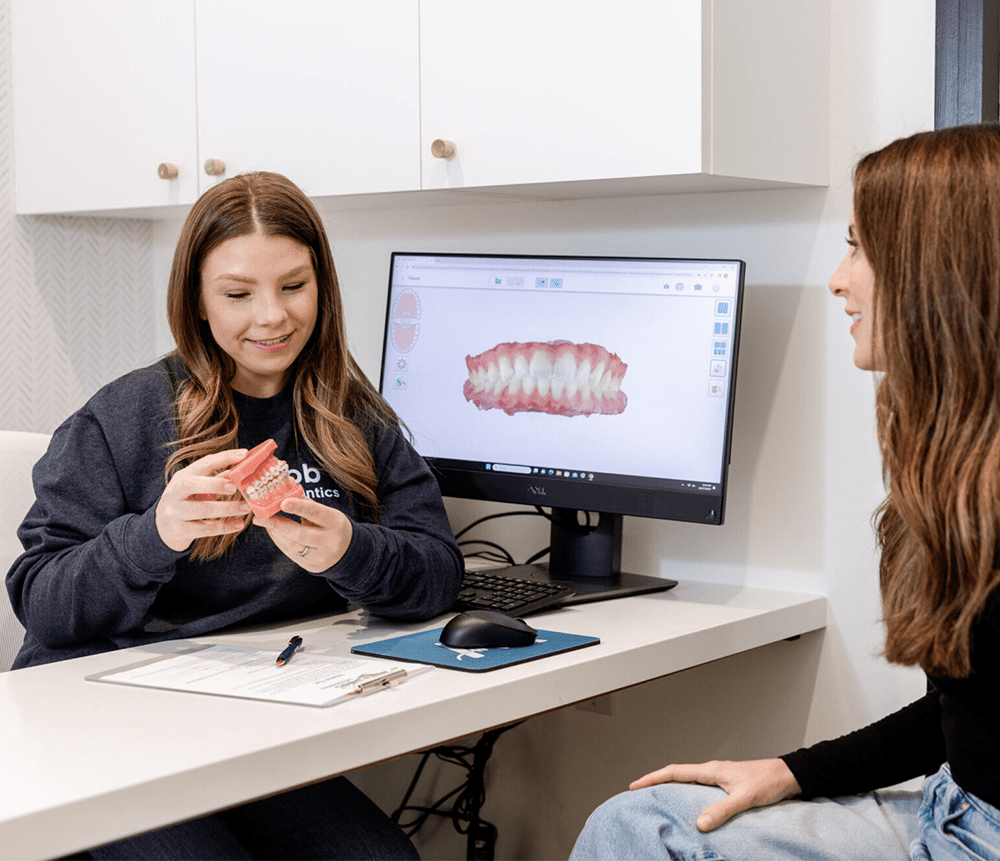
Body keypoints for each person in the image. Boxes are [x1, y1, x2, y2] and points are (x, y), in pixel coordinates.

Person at [570, 123, 1000, 860]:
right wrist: (790, 771)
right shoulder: (963, 472)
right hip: (954, 802)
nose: (838, 276)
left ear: (936, 271)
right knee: (637, 823)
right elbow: (964, 712)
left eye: (860, 247)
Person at [6, 171, 465, 859]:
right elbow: (41, 600)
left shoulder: (352, 417)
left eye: (293, 286)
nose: (272, 317)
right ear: (196, 300)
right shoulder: (124, 416)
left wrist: (352, 550)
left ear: (324, 287)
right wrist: (155, 535)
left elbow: (438, 570)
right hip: (106, 729)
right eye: (238, 294)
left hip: (253, 728)